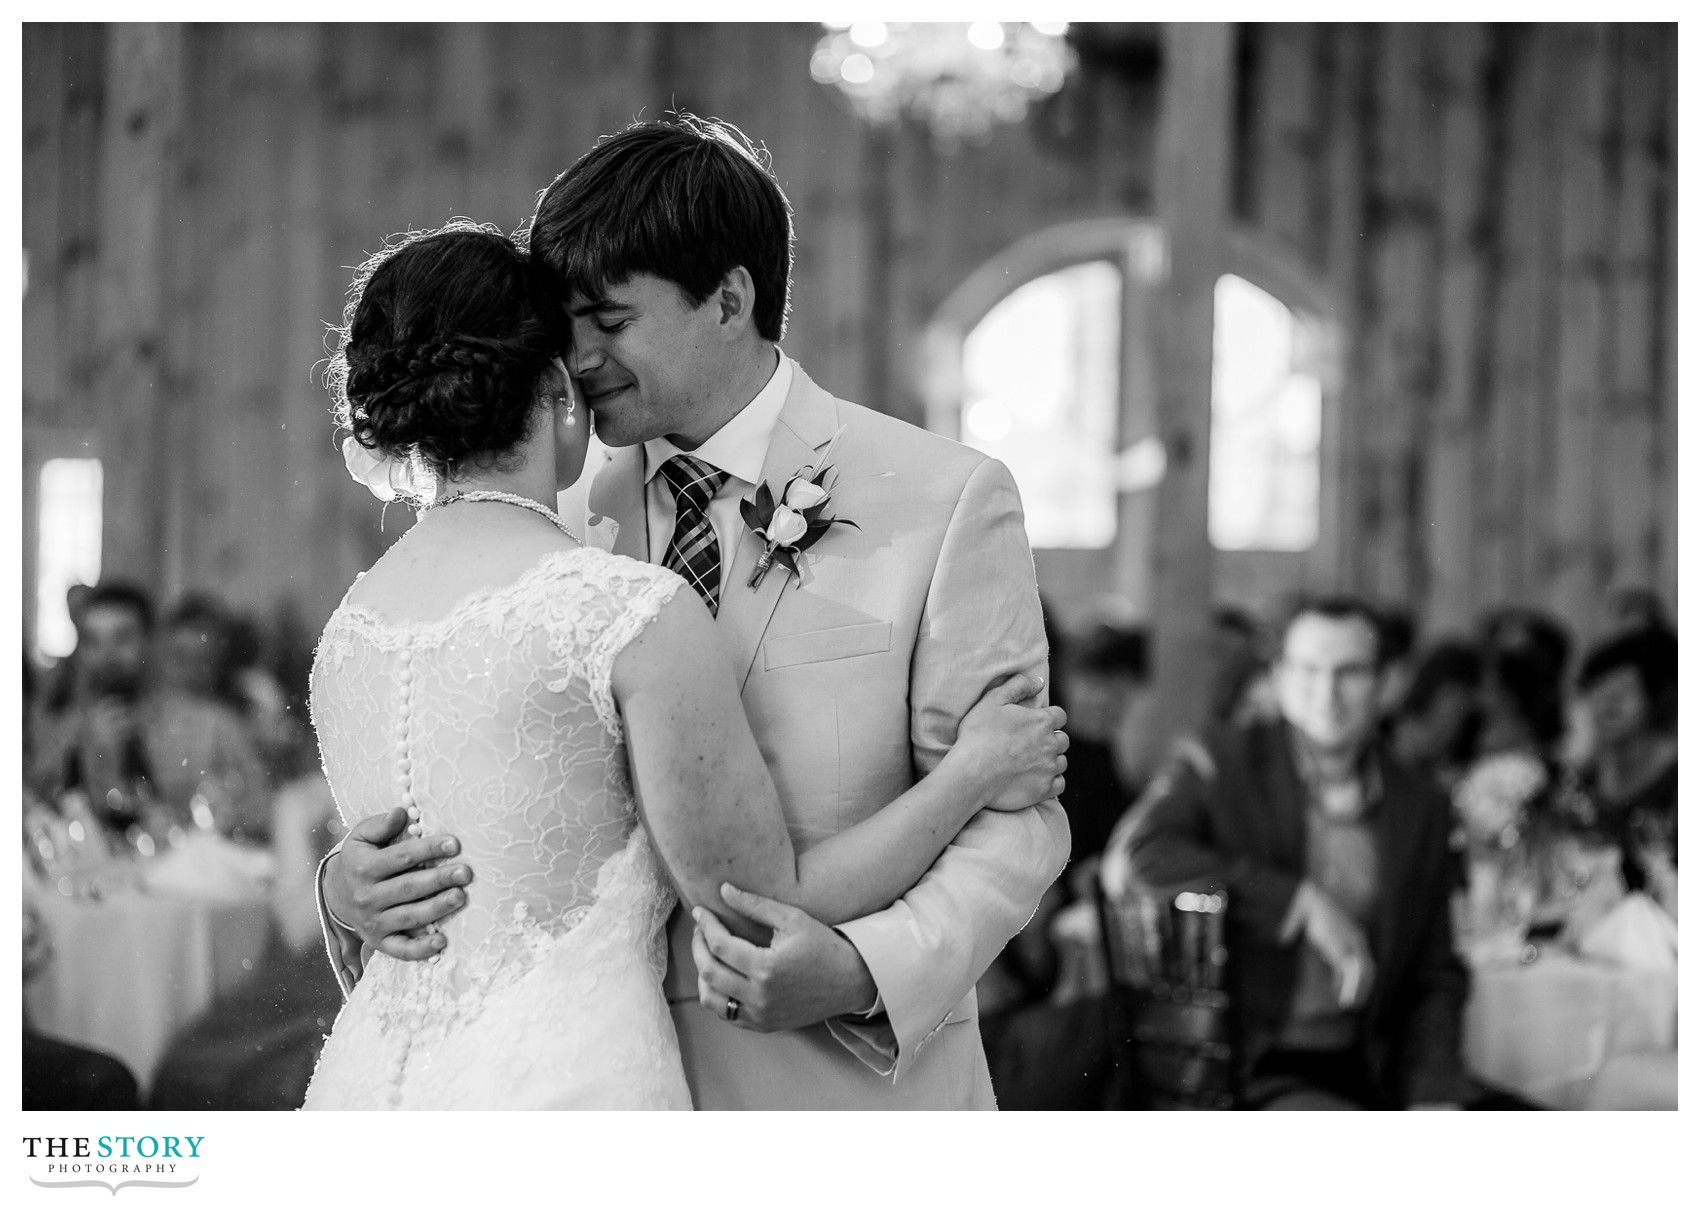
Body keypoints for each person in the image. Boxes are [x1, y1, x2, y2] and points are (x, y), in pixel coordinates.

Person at [301, 216, 1067, 1110]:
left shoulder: (943, 495)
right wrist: (346, 887)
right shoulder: (560, 501)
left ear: (729, 301)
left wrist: (867, 970)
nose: (584, 359)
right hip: (594, 1088)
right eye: (567, 330)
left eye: (610, 321)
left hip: (831, 1091)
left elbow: (1023, 817)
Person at [1101, 595, 1479, 1109]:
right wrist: (1299, 905)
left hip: (1371, 1065)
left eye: (1350, 672)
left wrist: (1433, 1095)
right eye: (1308, 670)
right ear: (1278, 679)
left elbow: (1435, 972)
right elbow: (1133, 859)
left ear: (1388, 685)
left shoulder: (1420, 805)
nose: (1327, 693)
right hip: (1248, 1065)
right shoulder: (1220, 761)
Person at [28, 582, 271, 843]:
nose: (107, 656)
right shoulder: (65, 732)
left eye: (122, 638)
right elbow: (38, 821)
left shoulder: (212, 726)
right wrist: (93, 762)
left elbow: (263, 813)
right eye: (93, 642)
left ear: (151, 643)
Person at [1574, 625, 1677, 900]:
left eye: (1622, 692)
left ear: (1654, 697)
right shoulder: (1585, 777)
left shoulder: (1677, 776)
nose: (1606, 704)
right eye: (1597, 689)